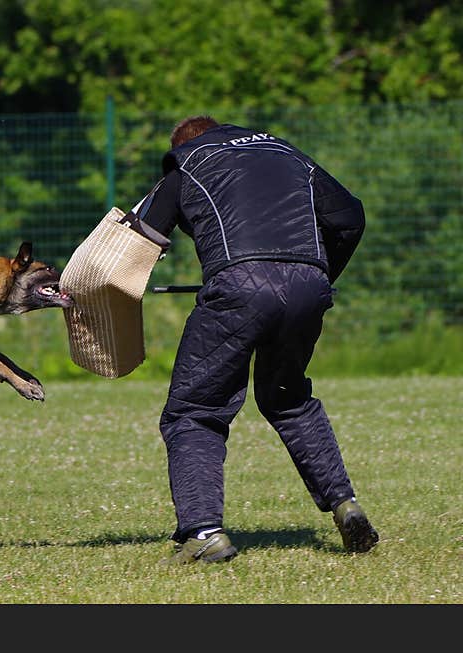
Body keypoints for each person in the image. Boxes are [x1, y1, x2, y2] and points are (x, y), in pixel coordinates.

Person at [127, 115, 378, 564]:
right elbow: (350, 217)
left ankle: (204, 533)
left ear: (183, 143)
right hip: (309, 283)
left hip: (238, 285)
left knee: (194, 411)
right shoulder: (289, 154)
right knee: (288, 398)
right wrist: (319, 273)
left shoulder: (186, 162)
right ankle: (345, 504)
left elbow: (135, 242)